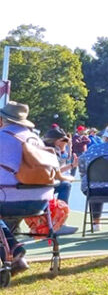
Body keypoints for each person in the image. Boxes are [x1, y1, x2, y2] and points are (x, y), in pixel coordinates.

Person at [0, 102, 68, 239]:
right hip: (41, 202)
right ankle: (13, 249)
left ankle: (13, 249)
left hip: (8, 199)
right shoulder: (35, 139)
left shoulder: (2, 137)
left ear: (1, 119)